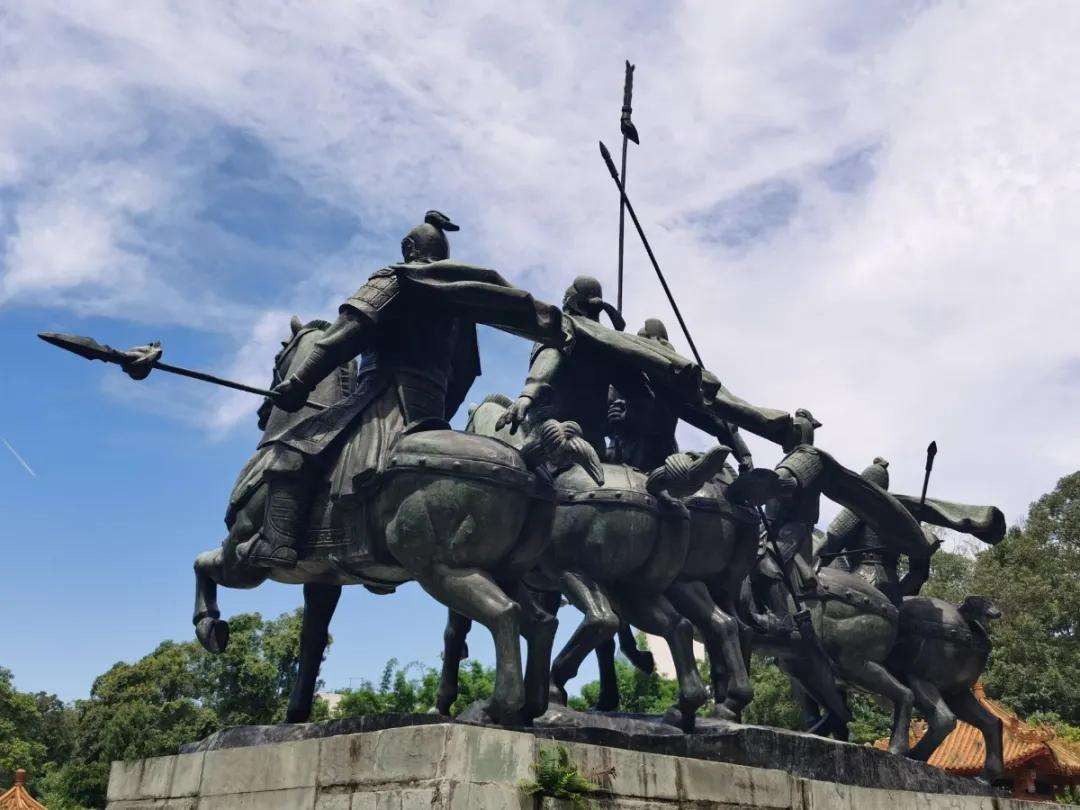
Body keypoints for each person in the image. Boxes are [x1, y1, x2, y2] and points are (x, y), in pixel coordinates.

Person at [237, 211, 572, 568]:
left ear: (409, 248)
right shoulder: (459, 305)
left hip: (380, 398)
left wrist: (300, 383)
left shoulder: (394, 279)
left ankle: (279, 542)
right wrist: (439, 414)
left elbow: (340, 338)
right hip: (428, 412)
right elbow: (466, 374)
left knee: (293, 446)